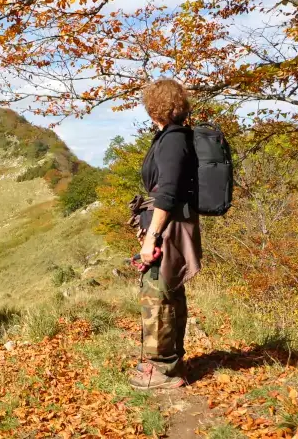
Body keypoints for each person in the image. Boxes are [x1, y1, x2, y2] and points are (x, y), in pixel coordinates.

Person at [129, 78, 202, 390]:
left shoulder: (173, 140)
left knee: (158, 296)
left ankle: (163, 370)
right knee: (167, 292)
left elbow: (168, 193)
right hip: (168, 225)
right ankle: (167, 361)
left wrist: (151, 238)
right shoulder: (171, 137)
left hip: (168, 229)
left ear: (154, 107)